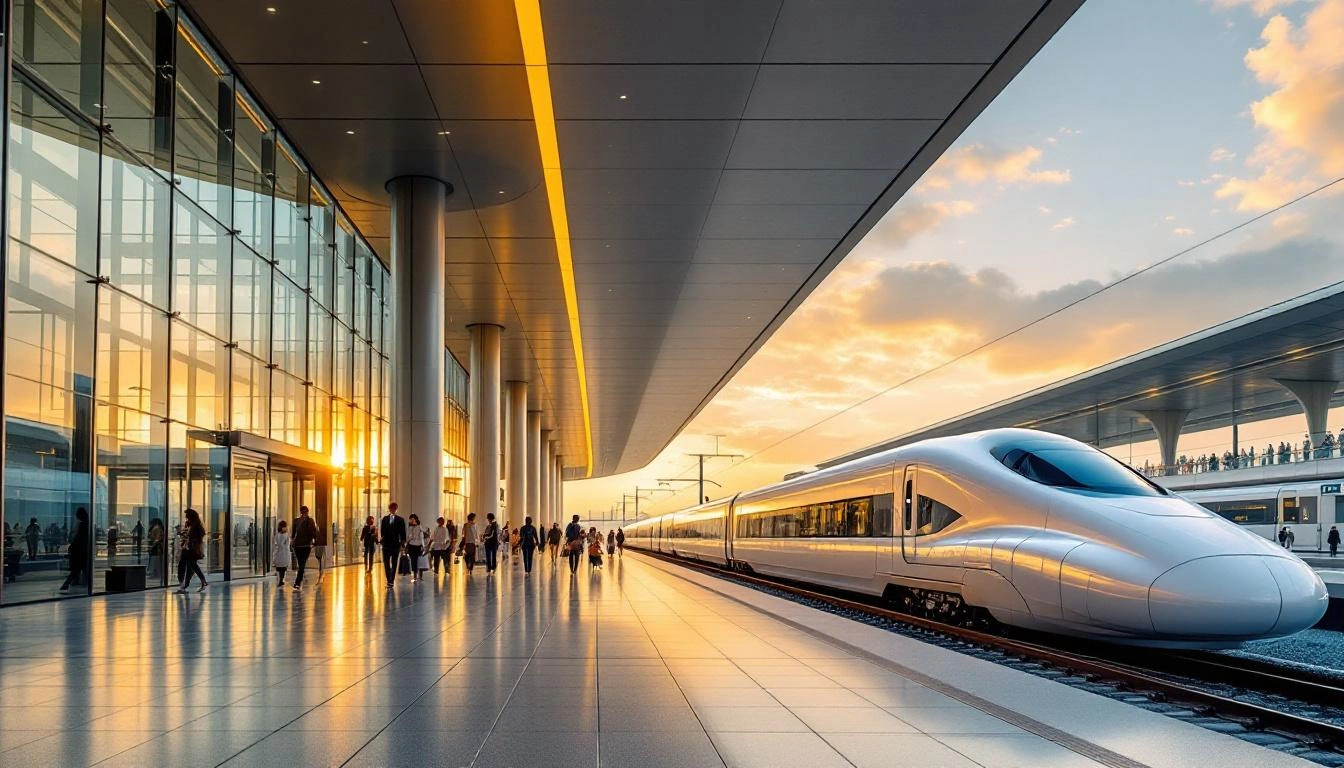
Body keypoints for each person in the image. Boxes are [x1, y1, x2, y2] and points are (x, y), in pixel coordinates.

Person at [175, 508, 207, 593]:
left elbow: (196, 536)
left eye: (187, 516)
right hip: (189, 548)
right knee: (190, 566)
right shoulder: (193, 525)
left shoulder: (196, 526)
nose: (186, 518)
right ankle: (186, 585)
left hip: (191, 548)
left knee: (190, 566)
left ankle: (186, 585)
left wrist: (190, 538)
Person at [59, 507, 91, 593]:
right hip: (84, 550)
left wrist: (72, 546)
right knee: (82, 568)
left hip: (79, 551)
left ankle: (67, 584)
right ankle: (84, 583)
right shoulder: (88, 524)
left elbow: (78, 538)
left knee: (76, 569)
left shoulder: (83, 525)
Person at [290, 505, 319, 592]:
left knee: (300, 563)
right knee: (302, 564)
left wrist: (292, 543)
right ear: (307, 511)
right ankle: (297, 583)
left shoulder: (296, 521)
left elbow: (293, 535)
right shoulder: (310, 520)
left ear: (300, 512)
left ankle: (298, 582)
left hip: (297, 545)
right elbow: (314, 532)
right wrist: (315, 541)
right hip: (306, 545)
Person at [380, 503, 408, 587]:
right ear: (389, 509)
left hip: (395, 545)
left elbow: (403, 532)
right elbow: (382, 531)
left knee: (394, 562)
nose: (393, 510)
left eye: (394, 508)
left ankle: (391, 580)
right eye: (391, 508)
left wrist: (403, 543)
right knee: (386, 562)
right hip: (386, 545)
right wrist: (382, 539)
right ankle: (389, 579)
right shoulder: (385, 519)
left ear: (396, 509)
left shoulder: (400, 520)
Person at [405, 514, 427, 582]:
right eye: (410, 519)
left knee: (420, 560)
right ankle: (415, 576)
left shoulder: (419, 527)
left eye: (412, 519)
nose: (411, 520)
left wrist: (423, 546)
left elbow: (422, 537)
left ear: (415, 519)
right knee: (413, 561)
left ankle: (420, 576)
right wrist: (407, 542)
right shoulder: (409, 528)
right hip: (412, 546)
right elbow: (407, 538)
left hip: (418, 546)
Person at [272, 520, 292, 586]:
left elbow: (276, 544)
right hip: (284, 553)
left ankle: (280, 579)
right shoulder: (286, 535)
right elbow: (286, 545)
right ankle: (281, 579)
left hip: (278, 553)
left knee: (279, 568)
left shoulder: (277, 535)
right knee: (283, 568)